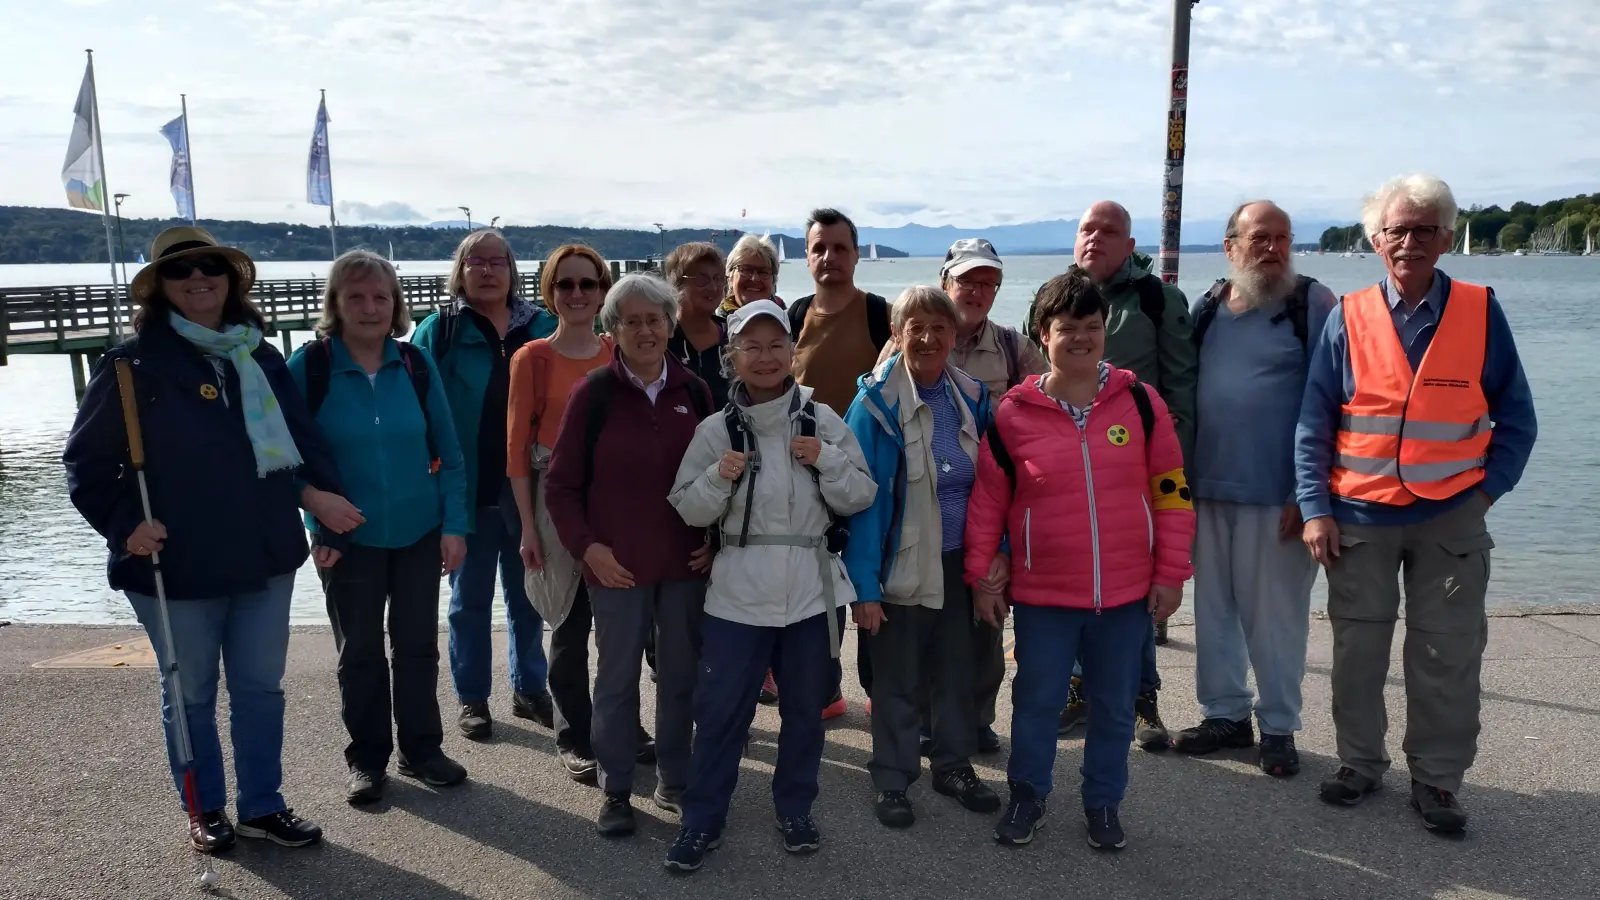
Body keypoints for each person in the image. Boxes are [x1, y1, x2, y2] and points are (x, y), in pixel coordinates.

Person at [63, 226, 350, 851]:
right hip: (176, 562)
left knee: (260, 688)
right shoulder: (130, 367)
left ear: (231, 279)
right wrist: (125, 528)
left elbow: (305, 447)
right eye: (181, 271)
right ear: (160, 289)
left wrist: (327, 521)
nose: (199, 279)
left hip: (264, 556)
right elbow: (86, 467)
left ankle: (262, 806)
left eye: (211, 267)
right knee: (190, 693)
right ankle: (205, 808)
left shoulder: (262, 357)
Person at [1297, 174, 1537, 833]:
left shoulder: (1480, 311)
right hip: (1359, 520)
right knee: (1357, 655)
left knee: (1447, 655)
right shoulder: (1347, 317)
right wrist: (1315, 509)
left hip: (1451, 520)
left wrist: (1484, 496)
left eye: (1424, 229)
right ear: (1376, 240)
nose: (1409, 241)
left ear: (1447, 237)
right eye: (1396, 229)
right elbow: (1314, 422)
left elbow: (1518, 421)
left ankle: (1436, 780)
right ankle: (1359, 765)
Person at [966, 269, 1193, 851]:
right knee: (1037, 702)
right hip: (1045, 596)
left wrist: (1171, 573)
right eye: (1068, 328)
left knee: (1116, 709)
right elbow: (990, 501)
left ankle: (1103, 803)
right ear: (1044, 334)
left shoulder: (1141, 404)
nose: (1082, 338)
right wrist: (982, 576)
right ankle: (1028, 795)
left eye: (1092, 326)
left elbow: (1171, 491)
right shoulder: (1013, 416)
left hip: (1124, 594)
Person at [662, 300, 877, 872]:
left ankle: (796, 809)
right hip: (737, 593)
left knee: (806, 710)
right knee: (721, 712)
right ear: (732, 356)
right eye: (750, 346)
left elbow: (861, 494)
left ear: (792, 352)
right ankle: (702, 819)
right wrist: (717, 475)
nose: (764, 357)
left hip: (811, 591)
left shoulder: (822, 420)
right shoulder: (717, 430)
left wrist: (826, 460)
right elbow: (686, 507)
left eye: (775, 344)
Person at [285, 251, 471, 804]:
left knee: (417, 647)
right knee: (359, 653)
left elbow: (451, 454)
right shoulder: (310, 367)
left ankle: (422, 751)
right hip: (347, 542)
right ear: (336, 305)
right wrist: (316, 511)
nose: (370, 307)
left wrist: (454, 526)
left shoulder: (415, 364)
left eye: (381, 297)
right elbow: (280, 459)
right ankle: (367, 760)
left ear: (396, 306)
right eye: (356, 297)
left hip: (419, 531)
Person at [544, 273, 717, 837]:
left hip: (685, 567)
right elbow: (561, 486)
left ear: (670, 324)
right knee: (615, 679)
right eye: (632, 320)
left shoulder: (693, 391)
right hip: (615, 568)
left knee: (680, 675)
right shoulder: (592, 393)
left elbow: (719, 479)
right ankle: (616, 788)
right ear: (611, 328)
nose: (645, 329)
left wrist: (713, 541)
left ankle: (675, 778)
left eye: (655, 318)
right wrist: (588, 549)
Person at [1022, 201, 1196, 746]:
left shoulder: (1157, 299)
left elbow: (1182, 388)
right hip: (1067, 469)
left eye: (1109, 231)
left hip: (1138, 468)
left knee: (1131, 591)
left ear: (1129, 243)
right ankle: (1078, 693)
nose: (1095, 239)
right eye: (1086, 230)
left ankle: (1141, 698)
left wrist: (1176, 473)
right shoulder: (1053, 296)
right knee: (1078, 580)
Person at [1171, 202, 1335, 778]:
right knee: (1214, 611)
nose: (1273, 249)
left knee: (1276, 617)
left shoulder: (1313, 303)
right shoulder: (1209, 307)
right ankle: (1225, 716)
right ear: (1230, 246)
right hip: (1207, 487)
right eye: (1260, 238)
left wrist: (1309, 495)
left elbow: (1336, 401)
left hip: (1278, 493)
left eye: (1283, 238)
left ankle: (1280, 726)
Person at [876, 238, 1048, 753]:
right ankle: (926, 725)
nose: (977, 290)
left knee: (983, 628)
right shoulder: (905, 344)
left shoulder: (1015, 348)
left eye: (988, 282)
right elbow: (880, 411)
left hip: (989, 513)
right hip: (924, 514)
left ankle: (975, 720)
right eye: (968, 280)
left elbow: (1045, 415)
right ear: (946, 281)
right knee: (927, 629)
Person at [842, 285, 1002, 829]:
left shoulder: (973, 397)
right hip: (898, 564)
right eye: (917, 327)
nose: (929, 338)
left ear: (955, 335)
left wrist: (993, 563)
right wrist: (863, 587)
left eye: (940, 327)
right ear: (897, 333)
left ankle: (953, 766)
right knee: (896, 678)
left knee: (958, 671)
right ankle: (892, 775)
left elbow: (993, 489)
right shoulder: (873, 404)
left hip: (960, 561)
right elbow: (861, 503)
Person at [412, 229, 557, 742]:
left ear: (513, 270)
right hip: (466, 488)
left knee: (528, 595)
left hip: (527, 488)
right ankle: (473, 697)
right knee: (467, 600)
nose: (489, 270)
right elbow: (417, 406)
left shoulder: (541, 327)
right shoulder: (440, 330)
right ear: (462, 268)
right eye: (478, 261)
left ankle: (529, 688)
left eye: (499, 261)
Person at [508, 244, 630, 785]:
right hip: (555, 505)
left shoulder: (618, 351)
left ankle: (623, 727)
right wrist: (527, 528)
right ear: (550, 291)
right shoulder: (532, 357)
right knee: (568, 620)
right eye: (566, 284)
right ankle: (574, 734)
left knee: (623, 624)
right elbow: (515, 450)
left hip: (616, 503)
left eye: (587, 284)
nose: (577, 294)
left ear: (603, 291)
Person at [789, 207, 894, 719]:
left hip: (870, 475)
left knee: (873, 580)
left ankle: (880, 689)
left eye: (839, 247)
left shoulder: (880, 314)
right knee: (820, 588)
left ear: (855, 254)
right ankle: (826, 689)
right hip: (808, 479)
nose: (829, 257)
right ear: (807, 257)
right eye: (818, 248)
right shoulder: (794, 316)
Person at [666, 242, 732, 409]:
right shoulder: (661, 338)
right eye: (702, 280)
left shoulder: (733, 338)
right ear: (677, 284)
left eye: (718, 279)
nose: (713, 287)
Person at [720, 233, 785, 315]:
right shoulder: (712, 324)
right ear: (730, 276)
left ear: (773, 280)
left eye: (763, 272)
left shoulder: (790, 321)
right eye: (746, 270)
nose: (754, 278)